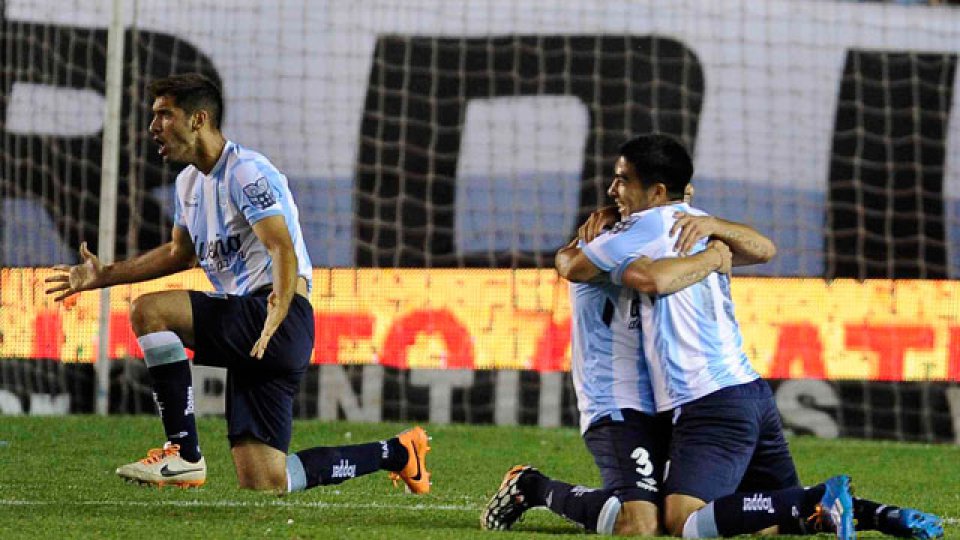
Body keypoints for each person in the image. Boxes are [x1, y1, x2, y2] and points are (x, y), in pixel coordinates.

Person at [485, 134, 943, 540]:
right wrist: (717, 249)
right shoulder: (694, 226)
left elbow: (632, 275)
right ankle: (879, 515)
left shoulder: (644, 229)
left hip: (704, 398)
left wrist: (581, 248)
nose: (612, 190)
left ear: (657, 192)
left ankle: (534, 488)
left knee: (681, 521)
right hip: (744, 391)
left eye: (622, 180)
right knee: (762, 517)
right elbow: (765, 250)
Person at [44, 73, 430, 495]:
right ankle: (397, 453)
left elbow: (282, 248)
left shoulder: (245, 171)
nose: (154, 127)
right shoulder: (187, 183)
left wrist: (277, 309)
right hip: (253, 325)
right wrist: (104, 276)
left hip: (276, 316)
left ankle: (183, 452)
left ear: (198, 119)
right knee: (266, 480)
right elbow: (179, 254)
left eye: (165, 115)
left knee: (149, 311)